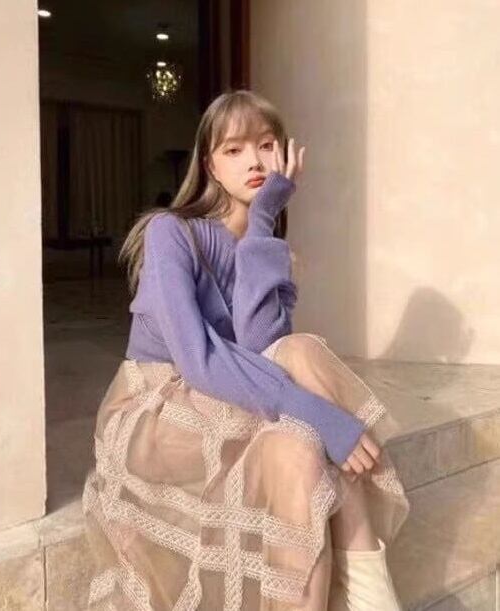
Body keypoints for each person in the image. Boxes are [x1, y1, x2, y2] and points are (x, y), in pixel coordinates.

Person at [82, 90, 410, 610]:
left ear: (284, 156)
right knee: (308, 397)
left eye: (265, 145)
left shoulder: (269, 252)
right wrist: (319, 413)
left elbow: (262, 347)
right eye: (233, 150)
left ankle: (367, 591)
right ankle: (372, 589)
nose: (254, 161)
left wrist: (262, 222)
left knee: (298, 421)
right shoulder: (171, 233)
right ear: (209, 165)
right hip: (159, 408)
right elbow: (197, 360)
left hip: (232, 394)